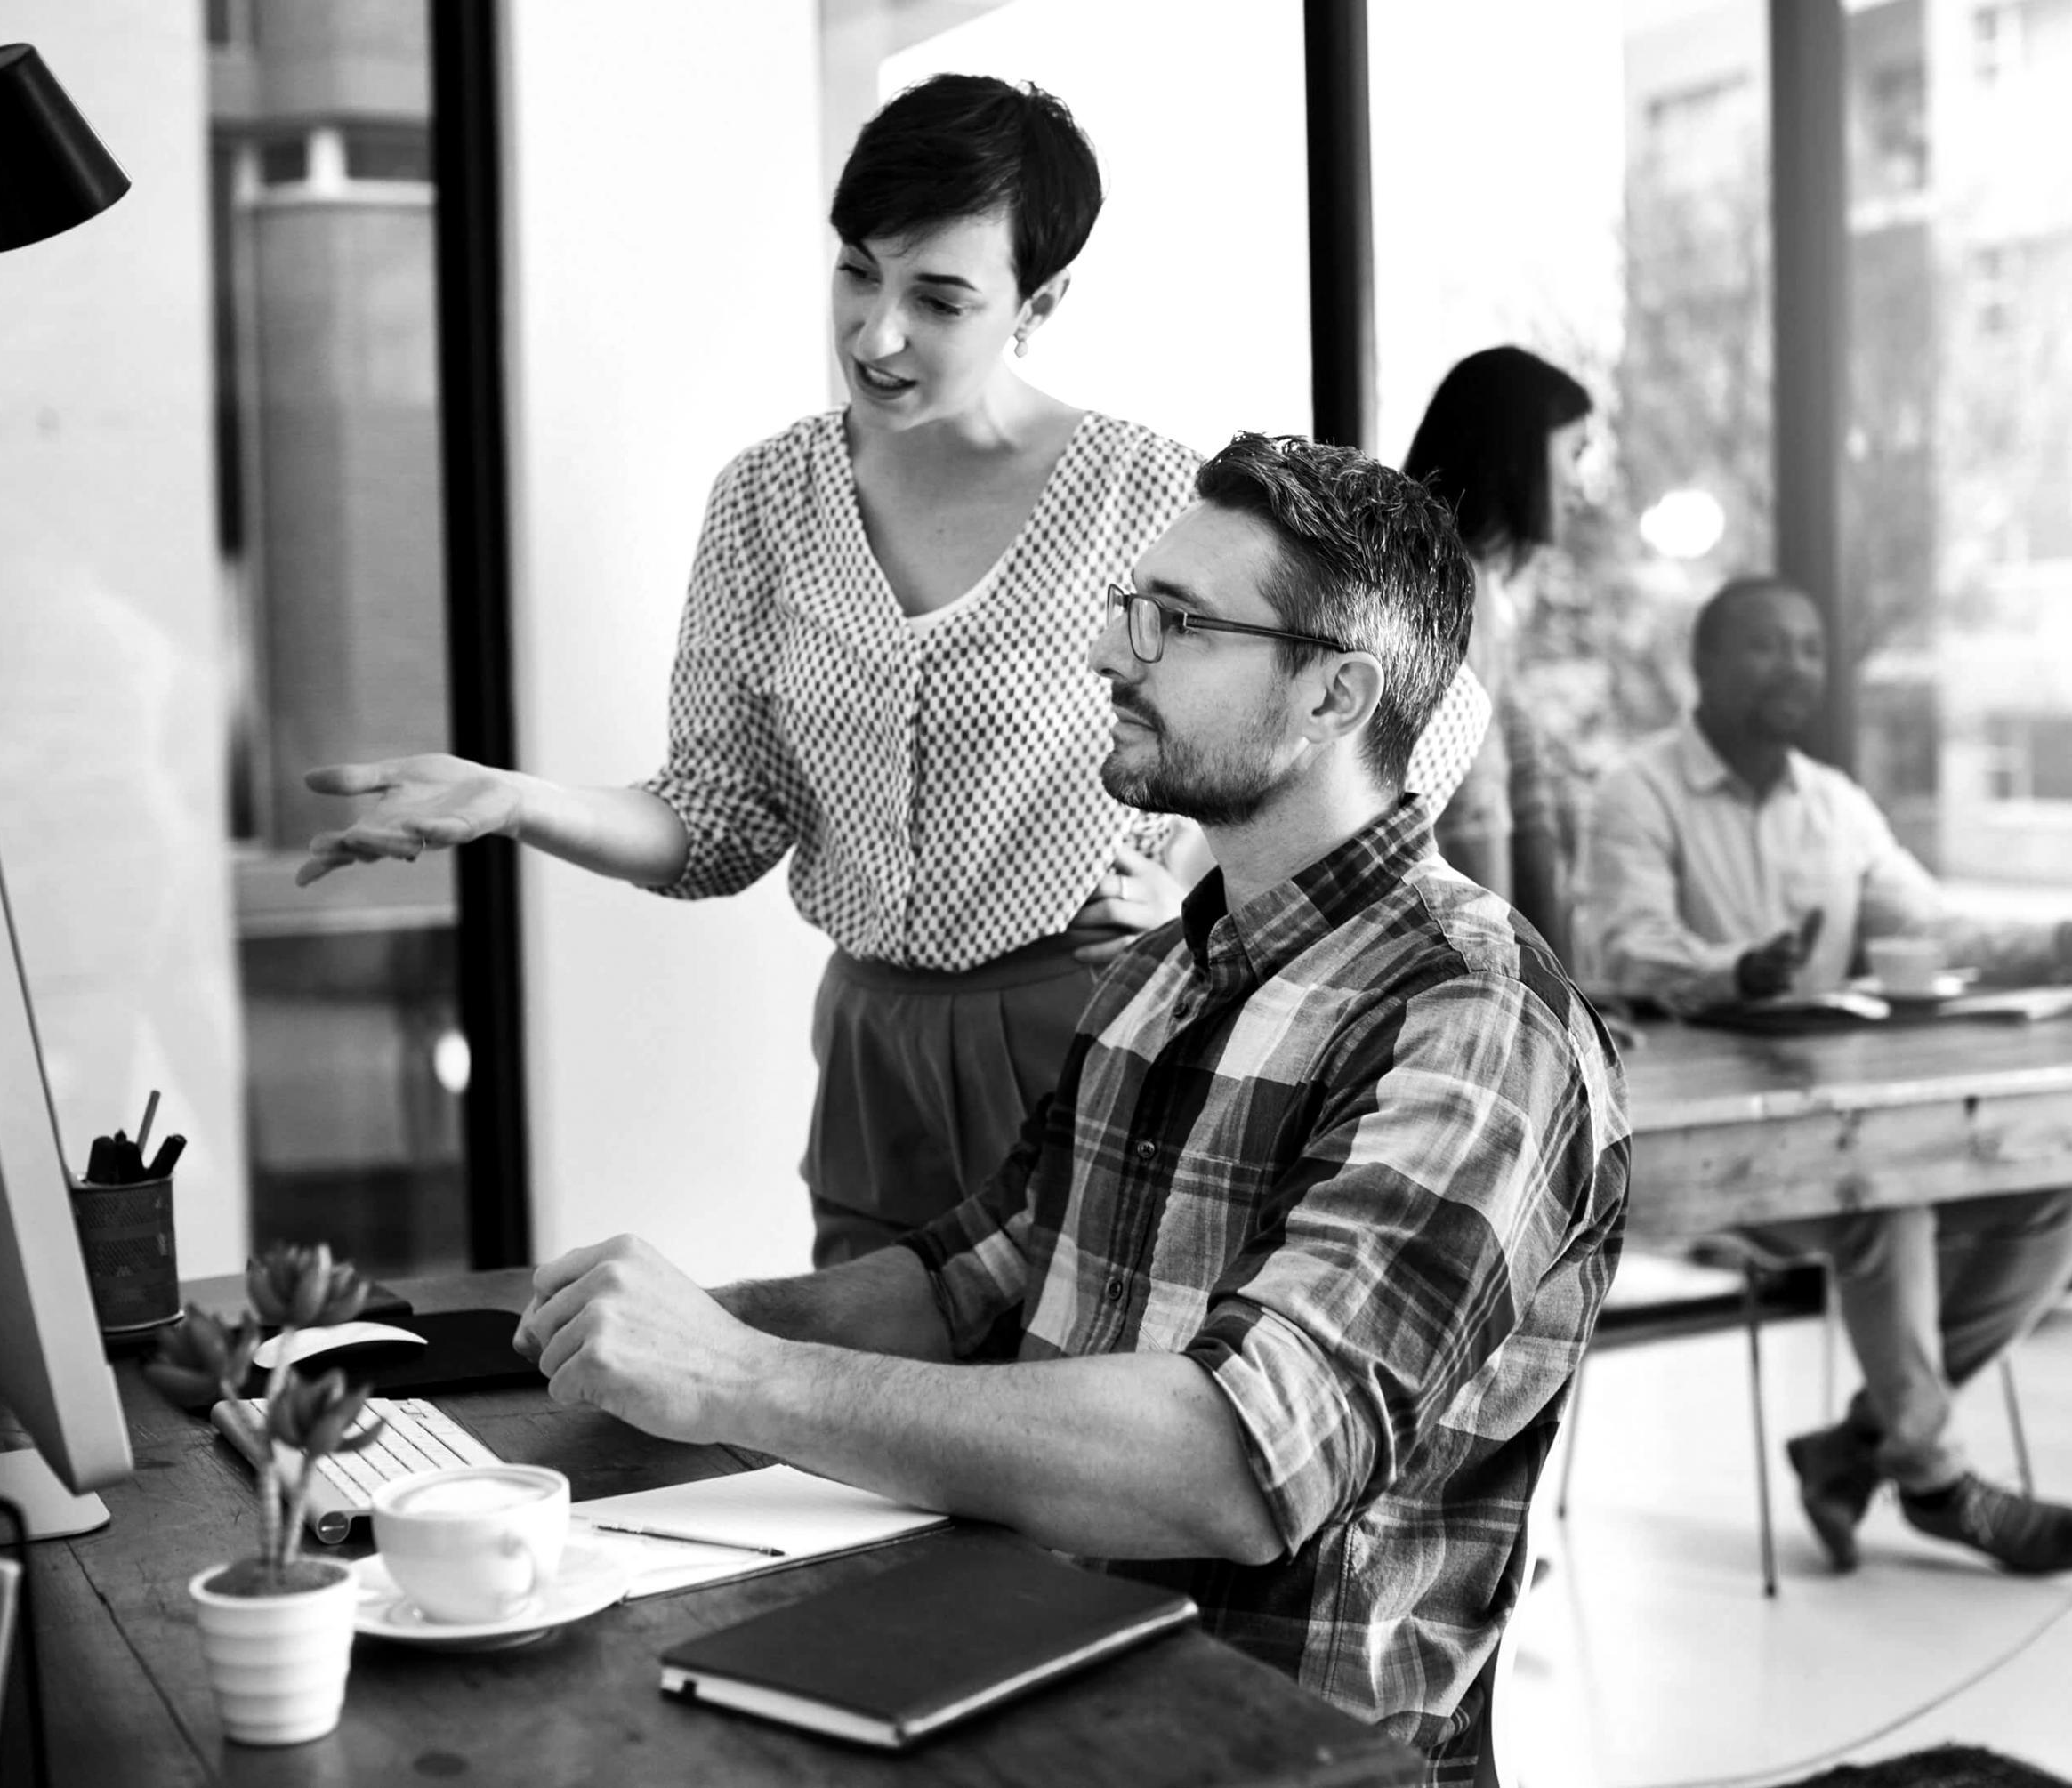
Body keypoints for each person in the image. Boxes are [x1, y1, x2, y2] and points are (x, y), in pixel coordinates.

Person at [514, 434, 1632, 1786]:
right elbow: (965, 1282)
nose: (1110, 653)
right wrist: (646, 1324)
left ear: (1336, 695)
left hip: (1264, 1751)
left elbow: (1235, 1461)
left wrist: (733, 1375)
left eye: (1175, 624)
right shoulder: (1157, 972)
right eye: (1126, 607)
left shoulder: (1472, 1016)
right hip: (1032, 1672)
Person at [294, 77, 1481, 1267]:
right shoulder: (762, 500)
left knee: (1065, 1411)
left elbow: (1425, 715)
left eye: (938, 298)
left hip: (1097, 1021)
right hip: (872, 1051)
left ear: (1040, 299)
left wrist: (1195, 878)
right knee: (857, 1413)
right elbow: (716, 821)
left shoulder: (1152, 493)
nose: (875, 335)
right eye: (856, 272)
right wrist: (512, 800)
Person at [1579, 573, 2072, 1577]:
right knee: (1885, 1206)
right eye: (1767, 645)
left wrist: (2066, 940)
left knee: (2063, 1199)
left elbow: (1935, 925)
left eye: (1811, 647)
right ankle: (1934, 1480)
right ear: (1703, 665)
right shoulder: (1635, 792)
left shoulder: (1836, 806)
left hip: (1835, 1116)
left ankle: (1857, 1445)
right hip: (1696, 1133)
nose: (1797, 667)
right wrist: (1732, 971)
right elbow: (1624, 947)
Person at [1399, 346, 1590, 957]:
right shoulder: (1446, 588)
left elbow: (1523, 786)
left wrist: (1559, 989)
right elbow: (1473, 810)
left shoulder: (1478, 589)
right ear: (1520, 454)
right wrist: (1508, 984)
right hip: (1457, 967)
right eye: (1576, 454)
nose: (1580, 487)